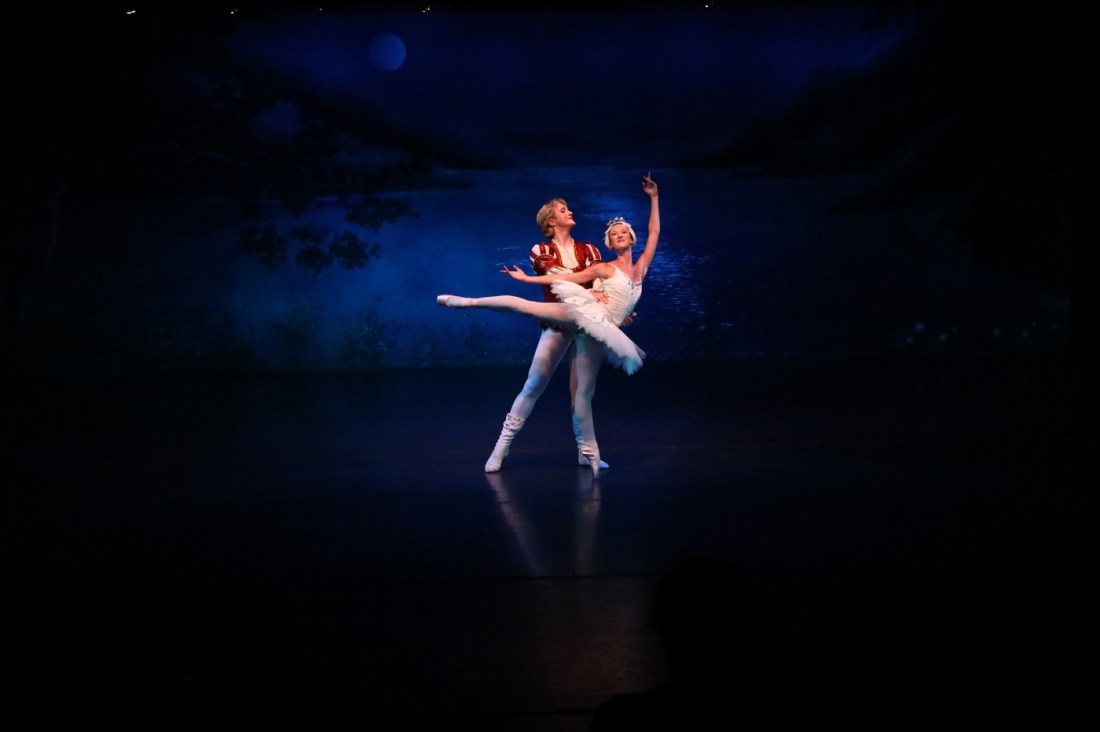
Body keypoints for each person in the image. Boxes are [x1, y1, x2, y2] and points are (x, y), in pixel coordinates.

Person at [438, 173, 660, 476]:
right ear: (551, 221)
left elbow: (607, 289)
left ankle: (588, 452)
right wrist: (530, 279)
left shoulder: (592, 252)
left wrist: (618, 314)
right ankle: (501, 447)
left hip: (590, 323)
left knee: (582, 391)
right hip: (560, 320)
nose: (570, 211)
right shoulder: (541, 251)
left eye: (568, 208)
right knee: (534, 384)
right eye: (563, 209)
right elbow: (561, 280)